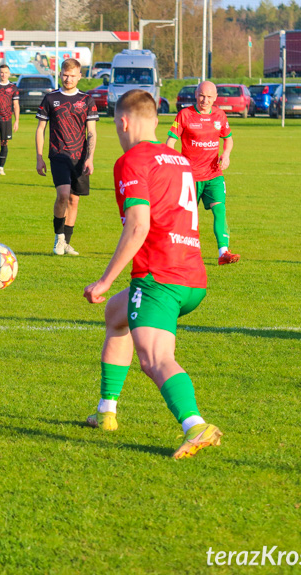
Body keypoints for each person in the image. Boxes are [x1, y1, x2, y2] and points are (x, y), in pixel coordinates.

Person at [83, 89, 222, 460]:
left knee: (155, 358)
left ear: (123, 122)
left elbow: (138, 226)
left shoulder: (132, 160)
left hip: (160, 277)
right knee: (117, 316)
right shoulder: (177, 159)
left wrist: (105, 280)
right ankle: (106, 412)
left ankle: (196, 425)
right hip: (192, 275)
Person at [166, 81, 240, 265]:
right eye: (201, 95)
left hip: (213, 174)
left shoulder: (220, 115)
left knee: (219, 210)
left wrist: (226, 154)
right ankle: (177, 254)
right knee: (186, 218)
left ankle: (223, 252)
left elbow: (228, 139)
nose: (204, 100)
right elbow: (170, 141)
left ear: (215, 98)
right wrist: (174, 164)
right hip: (189, 177)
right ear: (196, 95)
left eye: (208, 97)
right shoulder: (185, 115)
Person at [35, 58, 98, 256]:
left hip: (79, 158)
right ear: (60, 74)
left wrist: (90, 158)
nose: (68, 78)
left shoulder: (86, 100)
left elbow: (92, 132)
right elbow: (40, 129)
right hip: (58, 155)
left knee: (74, 200)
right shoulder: (50, 99)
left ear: (80, 76)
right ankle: (59, 238)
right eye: (65, 75)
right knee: (62, 195)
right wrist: (39, 157)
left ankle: (67, 242)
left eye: (72, 75)